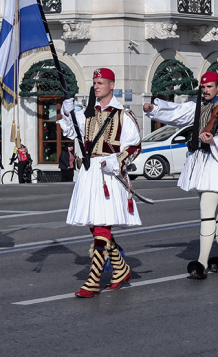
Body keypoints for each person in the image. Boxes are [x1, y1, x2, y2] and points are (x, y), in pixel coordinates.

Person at [145, 71, 218, 279]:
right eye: (203, 87)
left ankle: (202, 263)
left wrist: (214, 140)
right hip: (201, 163)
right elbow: (177, 113)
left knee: (206, 212)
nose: (205, 90)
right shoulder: (200, 105)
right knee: (215, 215)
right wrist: (155, 109)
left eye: (209, 87)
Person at [58, 68, 141, 297]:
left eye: (101, 82)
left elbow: (134, 147)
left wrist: (114, 162)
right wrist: (67, 113)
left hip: (109, 172)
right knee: (94, 224)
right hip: (89, 172)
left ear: (112, 85)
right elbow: (71, 132)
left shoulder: (123, 114)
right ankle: (121, 269)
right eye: (95, 82)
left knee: (102, 226)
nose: (96, 86)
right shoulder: (87, 113)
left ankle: (93, 279)